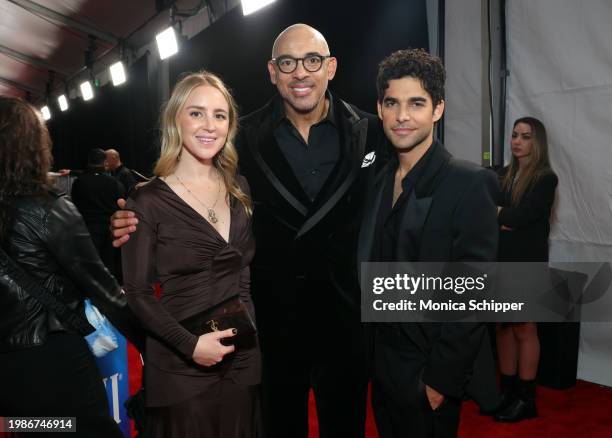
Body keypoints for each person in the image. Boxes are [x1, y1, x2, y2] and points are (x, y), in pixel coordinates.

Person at [112, 23, 388, 438]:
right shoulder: (240, 137)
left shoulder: (371, 132)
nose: (300, 73)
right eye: (287, 63)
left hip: (346, 321)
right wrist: (131, 218)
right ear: (271, 71)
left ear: (330, 67)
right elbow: (188, 195)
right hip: (269, 325)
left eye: (312, 61)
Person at [357, 49, 499, 437]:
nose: (403, 116)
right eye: (392, 103)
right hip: (380, 363)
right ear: (380, 108)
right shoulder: (375, 179)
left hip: (427, 371)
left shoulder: (469, 182)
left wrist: (439, 382)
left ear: (438, 109)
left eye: (416, 103)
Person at [120, 71, 261, 438]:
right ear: (175, 119)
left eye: (220, 115)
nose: (209, 125)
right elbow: (135, 294)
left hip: (242, 359)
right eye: (196, 113)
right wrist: (191, 345)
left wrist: (251, 341)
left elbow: (243, 276)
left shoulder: (239, 189)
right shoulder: (147, 199)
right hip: (181, 365)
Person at [0, 96, 143, 438]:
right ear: (34, 145)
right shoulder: (48, 209)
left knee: (34, 430)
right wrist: (163, 346)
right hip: (51, 362)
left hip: (7, 372)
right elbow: (107, 292)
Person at [493, 117, 558, 422]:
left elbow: (523, 217)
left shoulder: (545, 179)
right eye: (515, 135)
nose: (517, 141)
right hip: (501, 259)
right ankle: (506, 392)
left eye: (526, 136)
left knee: (525, 327)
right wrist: (504, 217)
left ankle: (526, 399)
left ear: (538, 142)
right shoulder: (503, 174)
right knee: (503, 327)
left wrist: (503, 215)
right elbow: (497, 212)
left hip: (526, 262)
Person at [71, 148, 125, 275]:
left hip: (87, 230)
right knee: (109, 265)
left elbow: (75, 206)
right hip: (109, 230)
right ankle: (110, 293)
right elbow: (120, 205)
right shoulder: (114, 183)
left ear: (89, 161)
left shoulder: (79, 182)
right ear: (105, 162)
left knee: (90, 267)